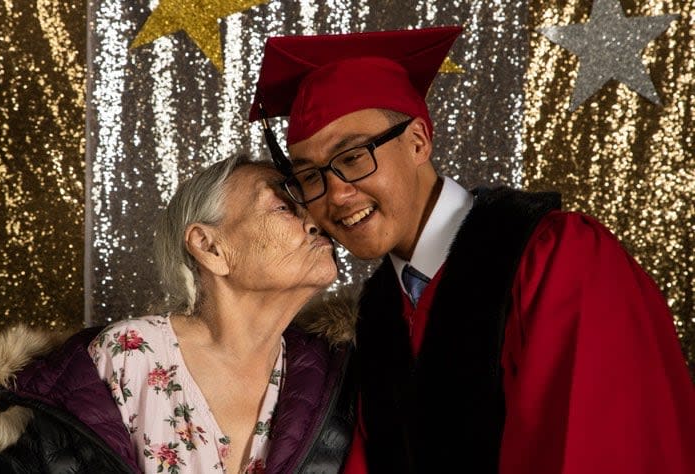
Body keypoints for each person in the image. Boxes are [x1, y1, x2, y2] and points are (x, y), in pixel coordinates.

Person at [249, 26, 695, 473]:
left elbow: (602, 449)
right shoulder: (378, 314)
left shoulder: (557, 257)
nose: (336, 194)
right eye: (310, 175)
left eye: (352, 158)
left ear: (419, 141)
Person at [0, 154, 357, 473]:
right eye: (285, 207)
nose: (316, 223)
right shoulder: (125, 357)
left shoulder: (339, 374)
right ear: (209, 247)